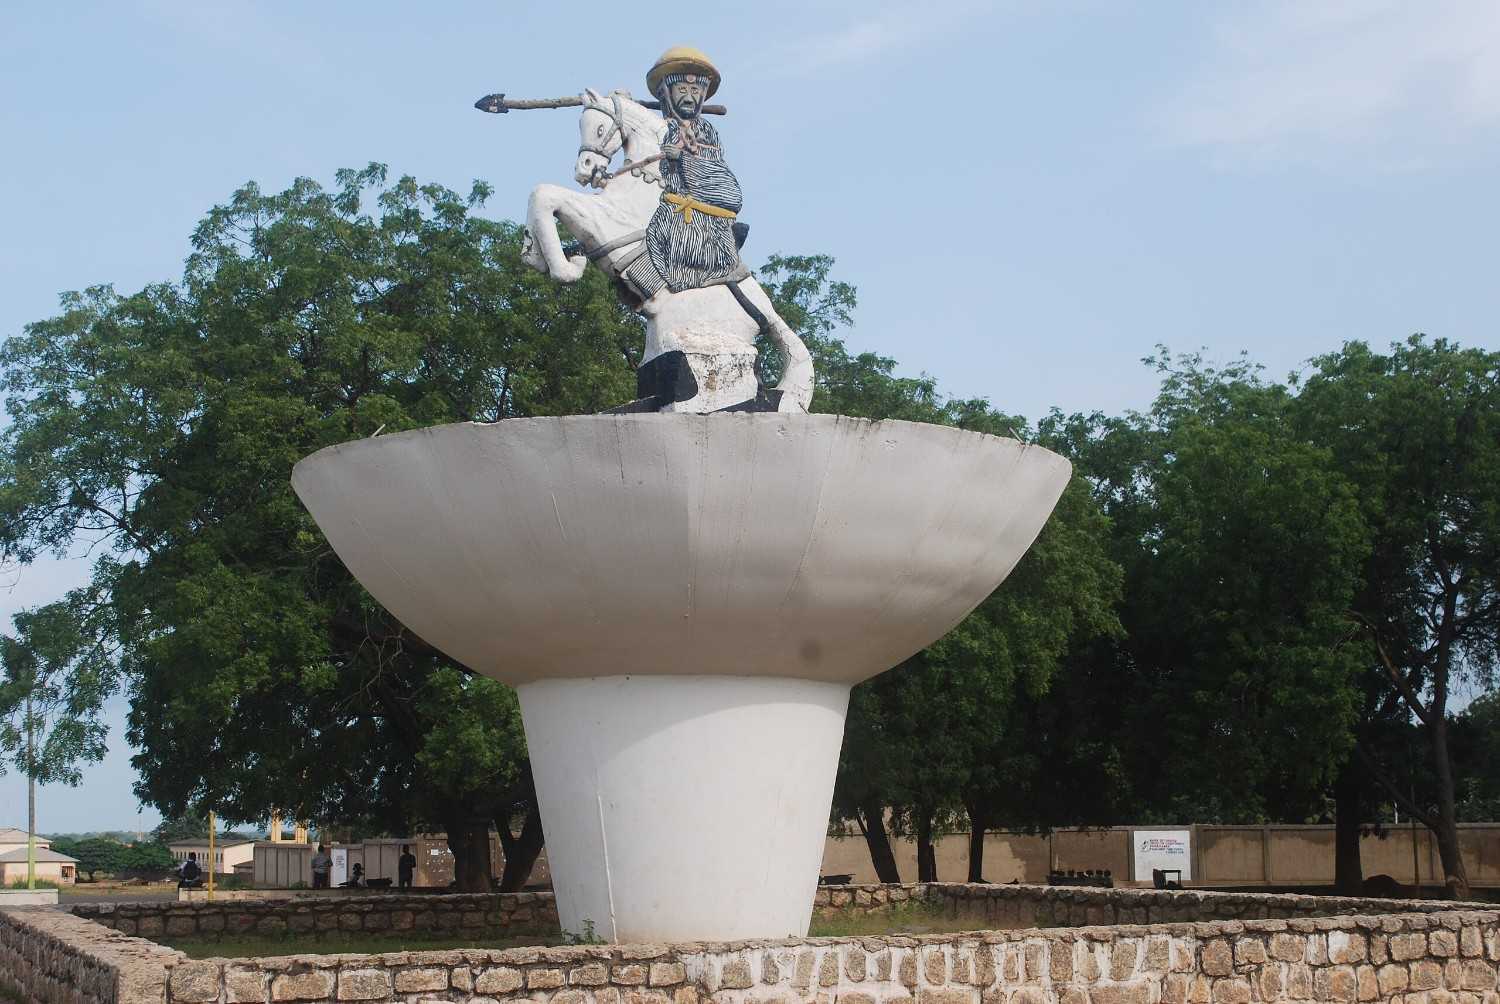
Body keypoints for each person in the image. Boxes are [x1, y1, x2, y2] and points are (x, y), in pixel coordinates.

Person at [640, 46, 746, 297]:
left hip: (701, 221)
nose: (689, 97)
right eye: (682, 90)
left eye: (695, 91)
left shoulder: (706, 131)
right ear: (666, 93)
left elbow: (722, 180)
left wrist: (685, 161)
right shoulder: (654, 127)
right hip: (663, 212)